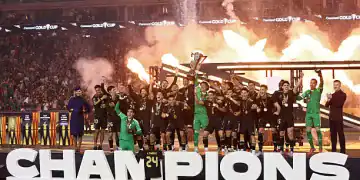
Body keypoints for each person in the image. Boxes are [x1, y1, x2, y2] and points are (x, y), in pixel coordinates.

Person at [299, 70, 324, 155]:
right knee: (308, 131)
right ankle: (312, 148)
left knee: (317, 130)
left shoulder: (318, 91)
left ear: (316, 84)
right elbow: (299, 98)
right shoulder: (307, 92)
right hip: (308, 114)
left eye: (313, 83)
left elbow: (322, 82)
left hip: (316, 114)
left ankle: (320, 147)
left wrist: (320, 75)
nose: (311, 84)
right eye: (310, 83)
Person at [255, 85, 281, 156]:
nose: (261, 91)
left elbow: (278, 106)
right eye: (260, 90)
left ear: (266, 90)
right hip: (262, 117)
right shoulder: (257, 99)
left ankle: (276, 149)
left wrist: (277, 112)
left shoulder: (271, 98)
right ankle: (260, 150)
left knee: (273, 131)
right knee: (260, 131)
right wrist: (258, 110)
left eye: (263, 90)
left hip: (271, 117)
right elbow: (257, 108)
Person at [325, 80, 346, 154]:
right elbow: (326, 105)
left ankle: (343, 151)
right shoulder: (332, 95)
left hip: (338, 118)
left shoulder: (343, 95)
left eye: (337, 85)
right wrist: (328, 99)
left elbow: (339, 104)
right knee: (333, 136)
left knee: (340, 135)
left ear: (340, 85)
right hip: (332, 118)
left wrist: (331, 99)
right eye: (334, 85)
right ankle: (333, 151)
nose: (335, 86)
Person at [67, 87, 90, 152]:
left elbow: (88, 108)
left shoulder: (83, 99)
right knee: (74, 134)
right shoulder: (72, 99)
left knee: (80, 134)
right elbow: (68, 107)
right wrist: (73, 110)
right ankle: (75, 147)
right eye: (78, 91)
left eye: (80, 91)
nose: (79, 92)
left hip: (80, 117)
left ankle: (79, 148)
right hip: (74, 117)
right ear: (75, 92)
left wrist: (84, 111)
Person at [92, 85, 108, 150]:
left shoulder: (105, 96)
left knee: (102, 131)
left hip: (104, 116)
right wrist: (101, 99)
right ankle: (95, 144)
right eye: (97, 90)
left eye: (99, 90)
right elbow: (95, 104)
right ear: (95, 91)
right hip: (97, 116)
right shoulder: (94, 97)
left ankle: (100, 145)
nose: (98, 91)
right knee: (97, 130)